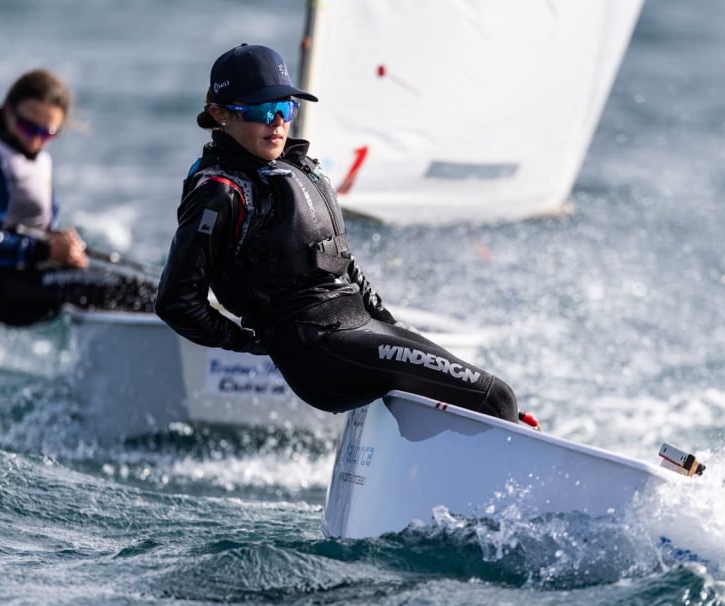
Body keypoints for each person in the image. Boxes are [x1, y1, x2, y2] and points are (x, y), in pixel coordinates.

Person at [156, 44, 530, 424]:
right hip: (317, 348)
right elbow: (176, 301)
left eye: (286, 108)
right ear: (220, 114)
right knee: (496, 398)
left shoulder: (297, 168)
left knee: (486, 400)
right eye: (263, 111)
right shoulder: (219, 193)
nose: (278, 123)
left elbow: (341, 262)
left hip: (356, 324)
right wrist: (249, 342)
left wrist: (389, 325)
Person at [0, 68, 157, 326]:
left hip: (31, 273)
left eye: (47, 133)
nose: (35, 140)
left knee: (149, 285)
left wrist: (63, 249)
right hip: (0, 286)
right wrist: (46, 249)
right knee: (142, 294)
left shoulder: (29, 160)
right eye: (27, 127)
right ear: (8, 111)